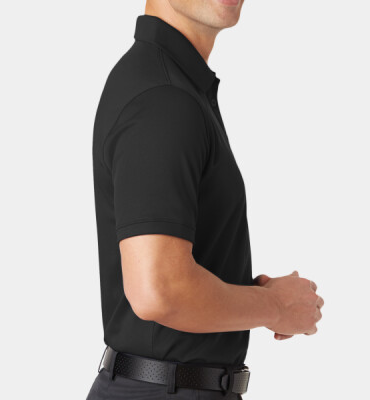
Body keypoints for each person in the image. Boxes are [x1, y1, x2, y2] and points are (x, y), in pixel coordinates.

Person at [87, 1, 324, 399]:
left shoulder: (171, 85)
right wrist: (275, 307)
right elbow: (159, 290)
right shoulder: (164, 98)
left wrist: (255, 296)